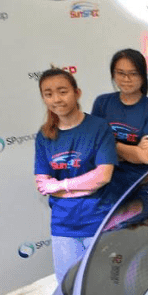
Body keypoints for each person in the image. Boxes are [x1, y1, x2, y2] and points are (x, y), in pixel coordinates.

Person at [34, 68, 117, 281]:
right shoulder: (44, 135)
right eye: (49, 94)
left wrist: (61, 185)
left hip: (98, 221)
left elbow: (103, 176)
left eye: (63, 92)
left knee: (103, 283)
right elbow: (43, 184)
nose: (56, 99)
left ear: (77, 93)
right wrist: (85, 186)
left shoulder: (98, 127)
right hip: (64, 225)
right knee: (69, 286)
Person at [92, 49, 148, 191]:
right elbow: (94, 146)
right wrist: (134, 150)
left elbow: (146, 157)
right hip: (109, 178)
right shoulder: (102, 103)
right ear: (113, 74)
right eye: (121, 73)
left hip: (142, 181)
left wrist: (109, 144)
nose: (126, 79)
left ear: (143, 76)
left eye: (133, 73)